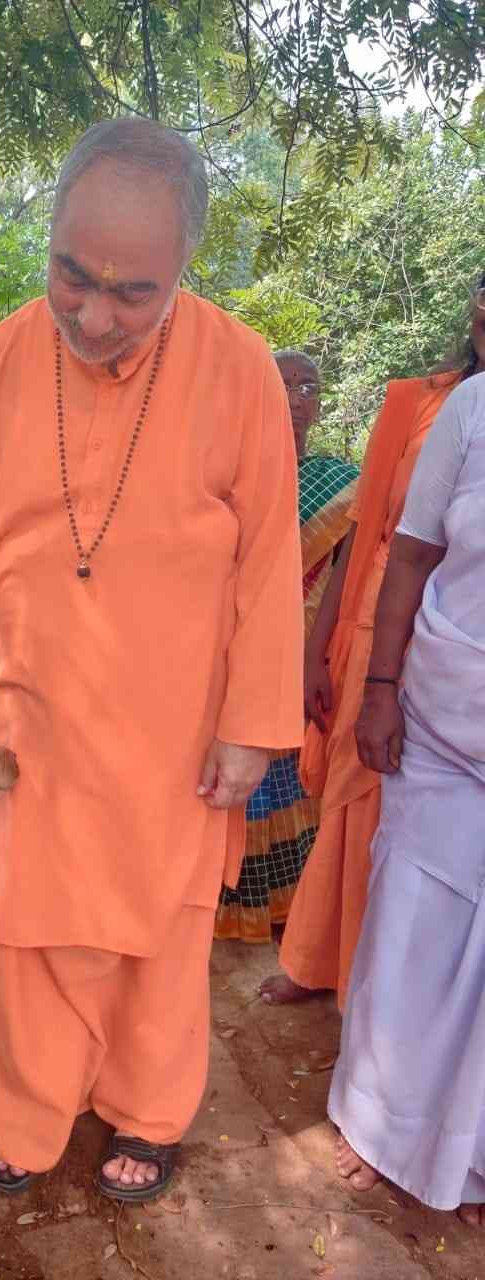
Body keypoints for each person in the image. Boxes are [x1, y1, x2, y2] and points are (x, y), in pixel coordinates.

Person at [0, 119, 304, 1200]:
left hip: (178, 730)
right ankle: (23, 1109)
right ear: (53, 232)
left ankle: (147, 1110)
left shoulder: (241, 369)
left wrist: (254, 725)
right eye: (74, 274)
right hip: (39, 722)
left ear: (182, 274)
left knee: (158, 935)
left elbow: (268, 562)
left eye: (134, 293)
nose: (96, 315)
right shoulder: (5, 357)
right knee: (25, 923)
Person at [261, 282, 485, 1007]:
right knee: (359, 794)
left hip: (460, 632)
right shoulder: (416, 402)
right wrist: (313, 652)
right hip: (378, 626)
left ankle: (388, 990)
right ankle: (324, 962)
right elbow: (363, 536)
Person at [328, 372, 485, 1226]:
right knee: (415, 917)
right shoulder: (473, 408)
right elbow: (412, 554)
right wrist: (379, 686)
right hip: (444, 710)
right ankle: (380, 1124)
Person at [215, 351, 358, 943]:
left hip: (300, 663)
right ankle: (217, 901)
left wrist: (309, 656)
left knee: (288, 783)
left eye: (310, 388)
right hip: (222, 656)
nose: (298, 398)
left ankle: (287, 913)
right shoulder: (220, 479)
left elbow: (345, 582)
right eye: (284, 384)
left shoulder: (342, 485)